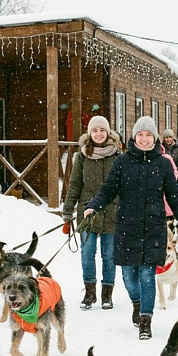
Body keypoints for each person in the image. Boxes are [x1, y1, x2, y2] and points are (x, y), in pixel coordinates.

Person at [84, 116, 178, 340]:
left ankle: (146, 320)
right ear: (134, 137)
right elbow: (108, 189)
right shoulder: (123, 162)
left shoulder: (163, 163)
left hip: (154, 227)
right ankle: (137, 302)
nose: (144, 139)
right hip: (126, 227)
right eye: (140, 135)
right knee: (128, 277)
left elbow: (174, 197)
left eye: (148, 135)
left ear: (155, 138)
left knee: (147, 276)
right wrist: (93, 205)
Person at [62, 116, 121, 311]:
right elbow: (75, 184)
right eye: (94, 130)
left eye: (102, 130)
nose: (98, 134)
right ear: (89, 133)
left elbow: (123, 186)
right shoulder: (81, 156)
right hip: (87, 212)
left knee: (109, 255)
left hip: (111, 212)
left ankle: (107, 294)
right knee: (87, 254)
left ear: (108, 132)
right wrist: (68, 210)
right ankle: (89, 292)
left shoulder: (117, 156)